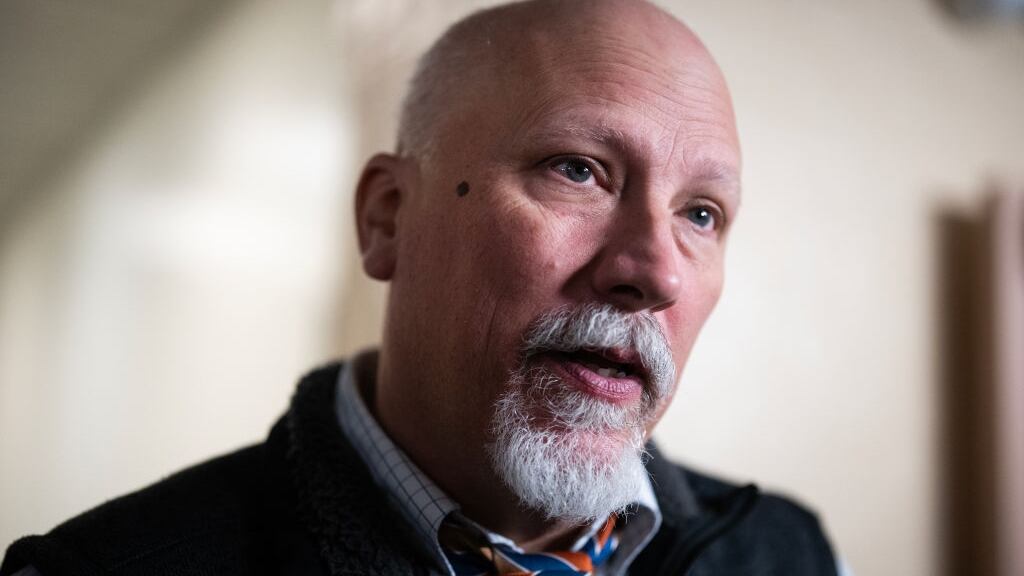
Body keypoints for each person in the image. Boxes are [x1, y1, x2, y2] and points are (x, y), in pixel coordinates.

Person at [1, 0, 842, 574]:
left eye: (701, 214)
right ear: (388, 217)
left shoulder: (784, 552)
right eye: (578, 170)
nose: (654, 272)